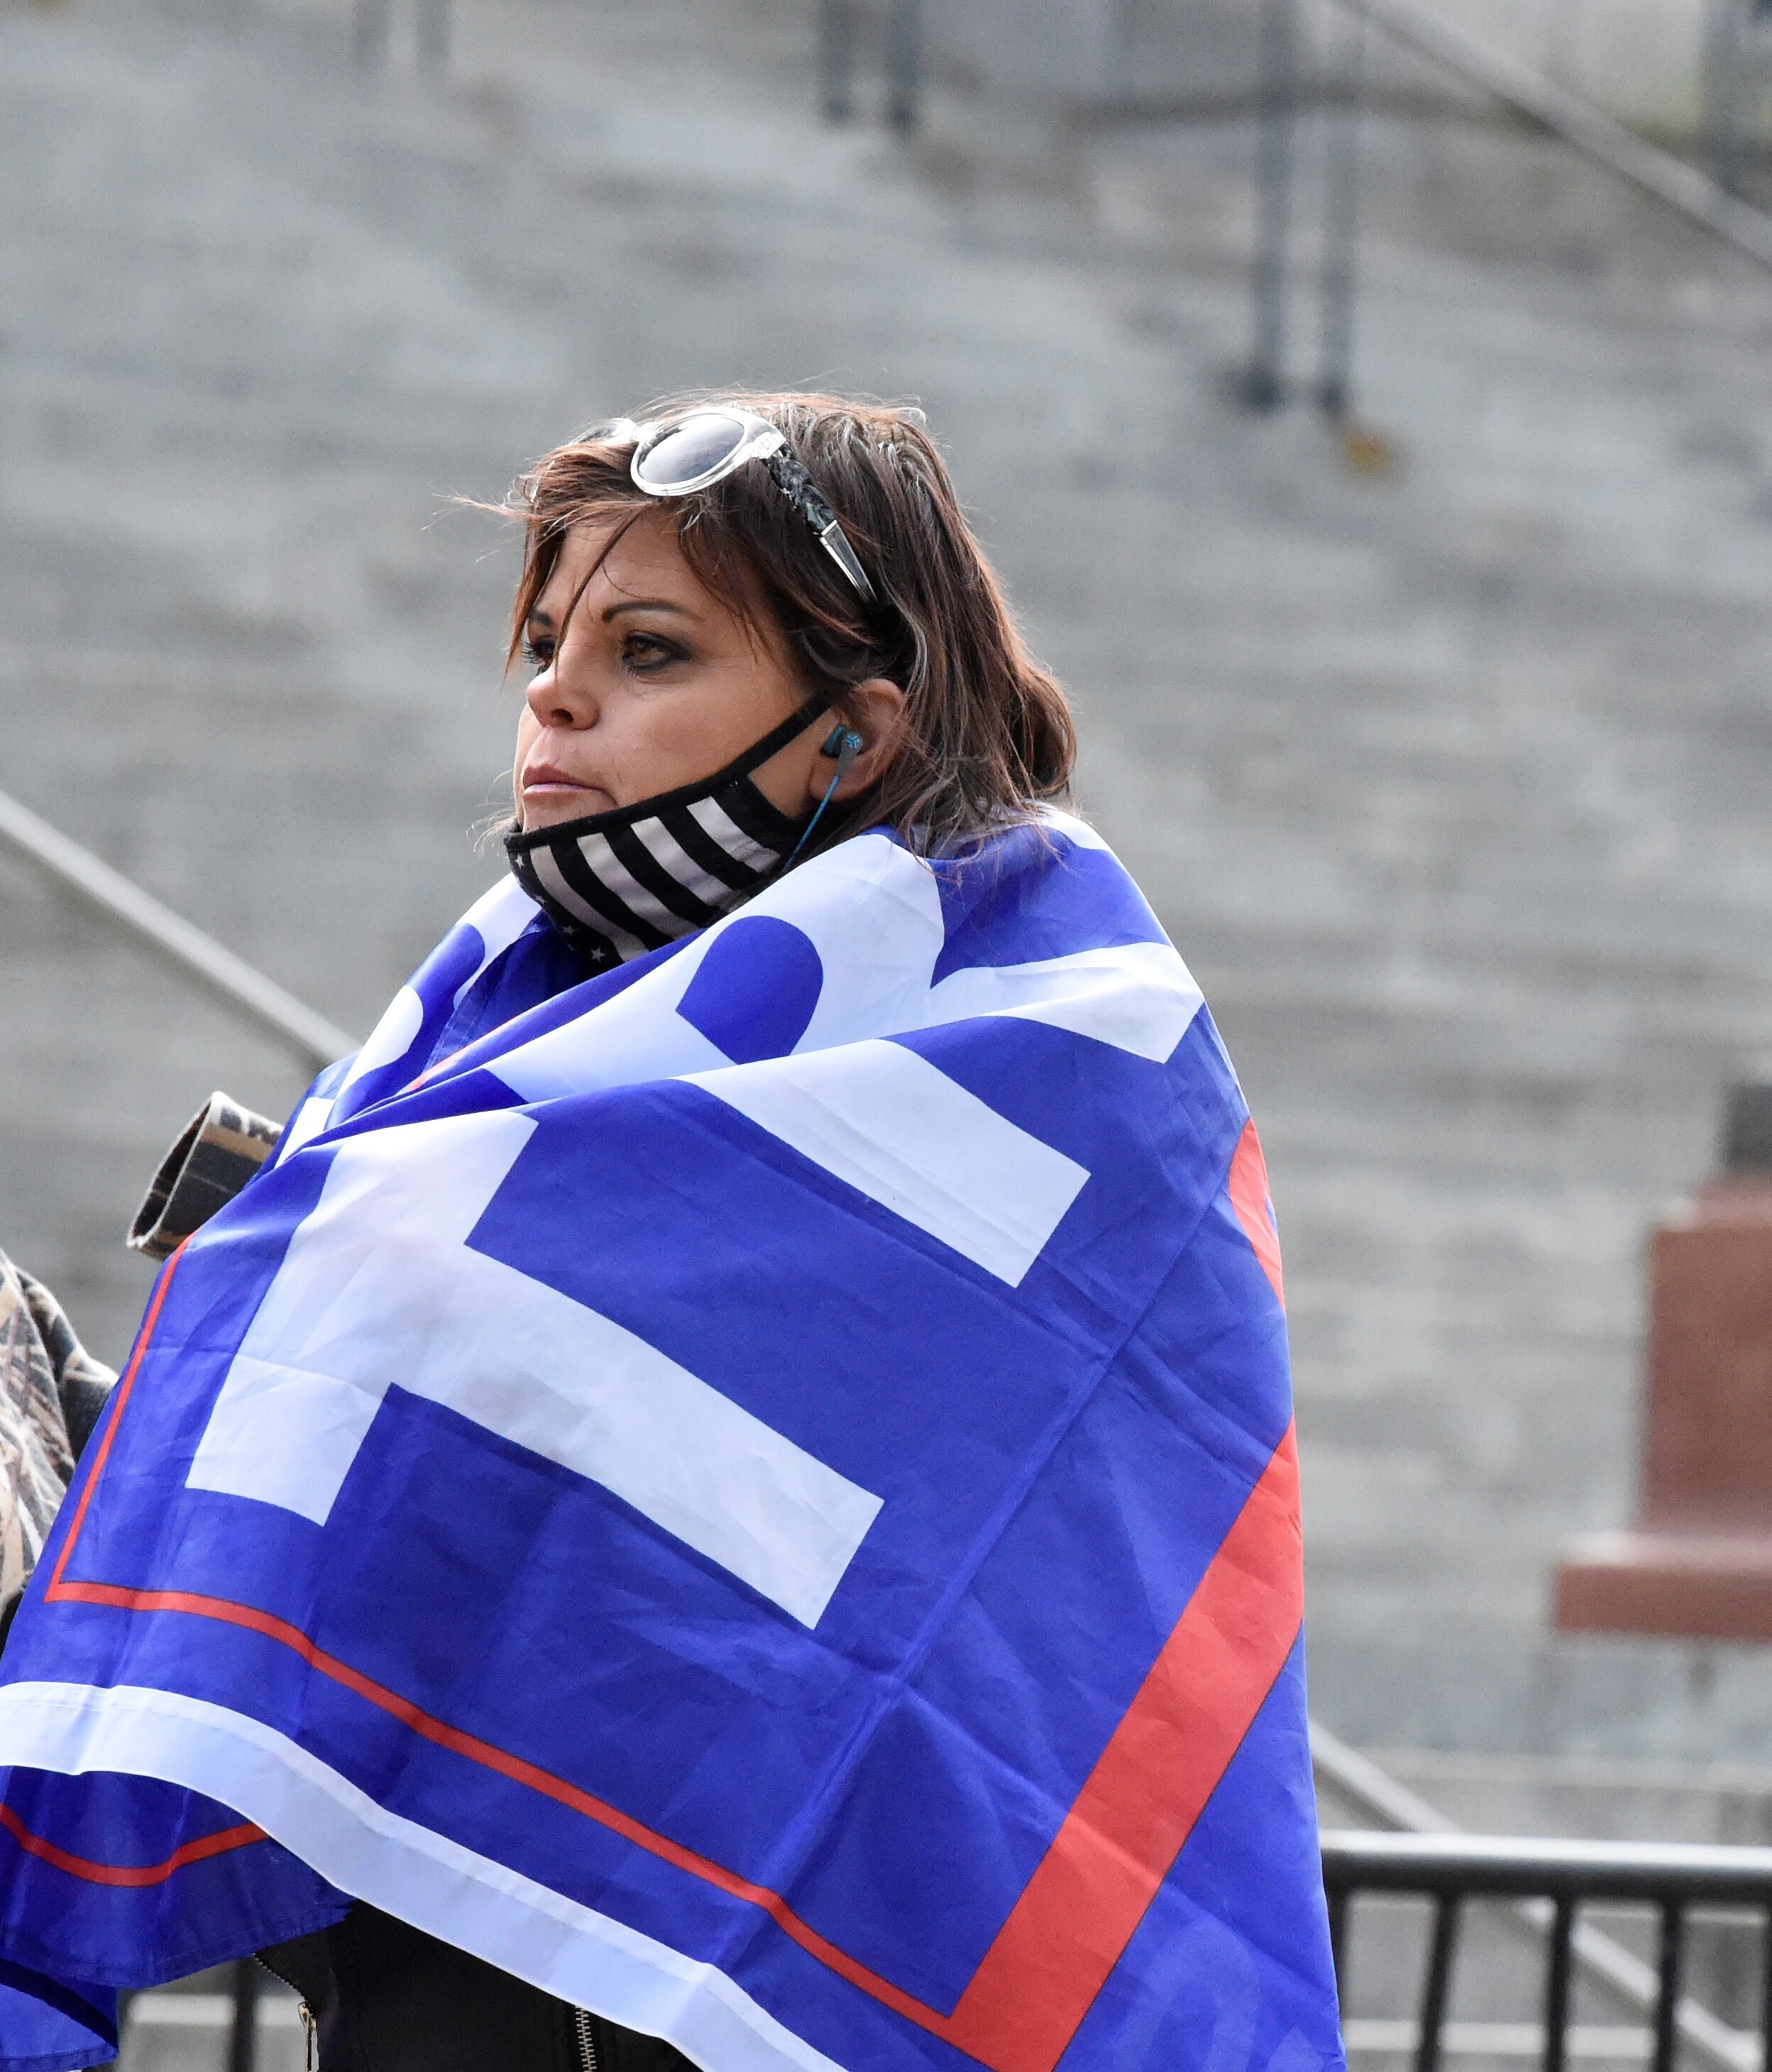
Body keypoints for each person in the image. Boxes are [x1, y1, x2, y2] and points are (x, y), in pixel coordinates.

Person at [0, 395, 1341, 2072]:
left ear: (853, 732)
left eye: (648, 650)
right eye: (548, 640)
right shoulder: (487, 1024)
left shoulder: (1067, 1044)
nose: (555, 690)